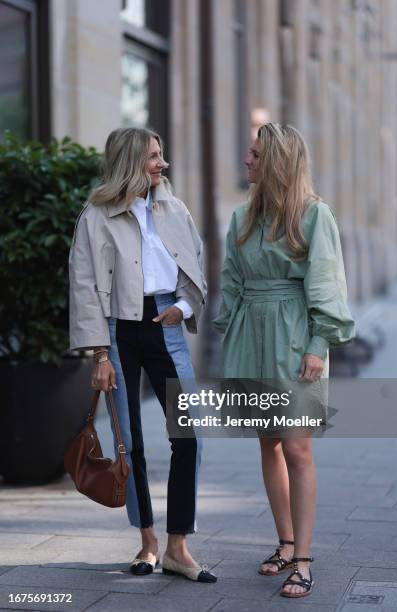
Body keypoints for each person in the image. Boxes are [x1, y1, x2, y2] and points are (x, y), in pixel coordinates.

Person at [69, 127, 216, 583]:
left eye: (162, 155)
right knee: (128, 441)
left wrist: (185, 307)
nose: (162, 164)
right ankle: (148, 542)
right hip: (117, 332)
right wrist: (99, 354)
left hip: (164, 323)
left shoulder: (175, 208)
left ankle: (178, 547)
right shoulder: (96, 216)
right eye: (153, 156)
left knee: (187, 435)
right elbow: (84, 286)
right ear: (131, 160)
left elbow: (197, 264)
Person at [214, 123, 355, 598]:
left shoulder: (315, 216)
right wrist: (220, 332)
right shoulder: (242, 218)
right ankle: (284, 542)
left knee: (297, 447)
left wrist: (320, 343)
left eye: (255, 155)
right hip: (250, 335)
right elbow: (231, 278)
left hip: (295, 335)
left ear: (275, 162)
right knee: (268, 443)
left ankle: (305, 559)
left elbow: (327, 283)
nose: (247, 161)